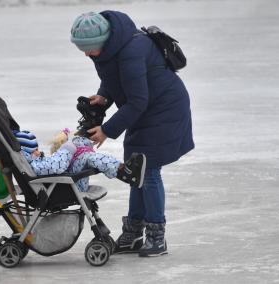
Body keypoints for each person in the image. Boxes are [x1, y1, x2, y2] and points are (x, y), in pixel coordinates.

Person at [70, 11, 194, 257]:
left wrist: (107, 130)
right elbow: (115, 77)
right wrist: (105, 95)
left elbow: (138, 100)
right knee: (135, 171)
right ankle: (133, 233)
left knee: (148, 172)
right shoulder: (112, 47)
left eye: (88, 49)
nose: (85, 54)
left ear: (103, 41)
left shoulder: (131, 50)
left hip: (163, 111)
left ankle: (157, 237)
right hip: (144, 110)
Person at [13, 129, 146, 192]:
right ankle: (122, 171)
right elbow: (57, 166)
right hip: (66, 187)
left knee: (87, 156)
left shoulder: (34, 163)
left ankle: (121, 169)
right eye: (33, 150)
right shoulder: (34, 166)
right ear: (25, 153)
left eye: (37, 148)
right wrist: (67, 149)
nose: (38, 152)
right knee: (89, 157)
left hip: (67, 182)